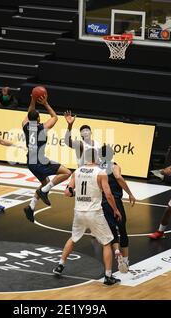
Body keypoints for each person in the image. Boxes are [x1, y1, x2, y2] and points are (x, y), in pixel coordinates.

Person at [53, 148, 122, 286]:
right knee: (107, 242)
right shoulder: (100, 173)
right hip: (94, 212)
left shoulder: (77, 172)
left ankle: (60, 265)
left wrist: (74, 192)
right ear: (96, 158)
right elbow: (108, 195)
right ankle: (108, 276)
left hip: (79, 211)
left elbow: (67, 192)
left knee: (73, 238)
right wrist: (115, 209)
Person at [22, 94, 72, 222]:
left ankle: (30, 207)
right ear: (38, 118)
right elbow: (55, 117)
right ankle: (43, 191)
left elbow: (29, 113)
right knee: (67, 172)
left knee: (45, 182)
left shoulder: (25, 126)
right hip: (39, 161)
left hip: (30, 161)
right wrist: (45, 103)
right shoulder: (43, 128)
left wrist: (33, 100)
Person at [99, 144, 136, 273]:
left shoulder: (97, 168)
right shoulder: (114, 166)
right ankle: (125, 261)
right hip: (115, 201)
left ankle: (116, 251)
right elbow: (118, 177)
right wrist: (130, 193)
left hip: (102, 202)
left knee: (111, 231)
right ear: (112, 155)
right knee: (122, 229)